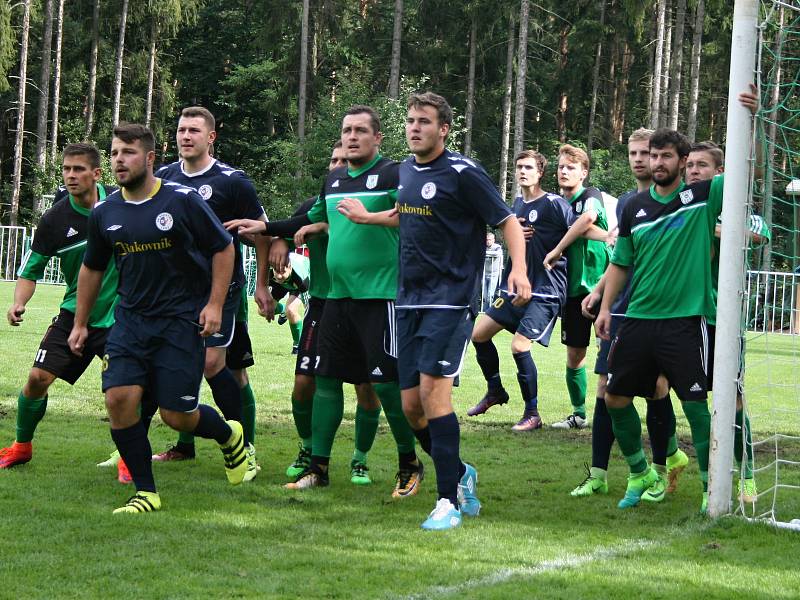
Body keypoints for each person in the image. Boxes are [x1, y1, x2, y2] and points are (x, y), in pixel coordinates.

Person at [337, 92, 531, 530]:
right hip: (408, 300)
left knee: (433, 395)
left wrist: (518, 269)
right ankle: (459, 471)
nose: (414, 128)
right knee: (411, 408)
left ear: (443, 129)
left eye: (423, 121)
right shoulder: (405, 170)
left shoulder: (463, 173)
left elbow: (507, 221)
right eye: (410, 121)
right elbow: (409, 213)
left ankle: (447, 501)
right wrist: (370, 219)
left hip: (450, 299)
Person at [227, 106, 422, 496]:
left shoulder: (395, 173)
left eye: (360, 131)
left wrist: (370, 216)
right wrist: (266, 227)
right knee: (326, 380)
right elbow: (308, 219)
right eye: (347, 130)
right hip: (335, 298)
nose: (352, 137)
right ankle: (318, 467)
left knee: (385, 388)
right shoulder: (333, 180)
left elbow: (415, 214)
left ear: (378, 138)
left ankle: (409, 463)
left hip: (380, 297)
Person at [68, 123, 246, 514]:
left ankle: (229, 435)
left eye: (128, 153)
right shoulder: (105, 211)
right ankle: (146, 491)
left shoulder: (181, 200)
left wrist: (214, 305)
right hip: (130, 321)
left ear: (149, 159)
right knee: (119, 399)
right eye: (114, 153)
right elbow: (92, 269)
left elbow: (223, 248)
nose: (119, 160)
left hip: (181, 320)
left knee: (177, 415)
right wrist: (80, 323)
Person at [596, 128, 723, 513]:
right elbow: (622, 260)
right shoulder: (632, 206)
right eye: (653, 156)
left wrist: (750, 115)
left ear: (683, 163)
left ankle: (710, 489)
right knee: (614, 396)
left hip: (684, 320)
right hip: (636, 318)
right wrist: (605, 307)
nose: (657, 163)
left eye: (666, 156)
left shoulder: (703, 196)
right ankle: (639, 472)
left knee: (696, 405)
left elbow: (749, 171)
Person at [152, 106, 271, 482]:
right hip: (175, 292)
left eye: (194, 131)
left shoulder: (233, 181)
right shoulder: (163, 177)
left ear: (210, 137)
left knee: (215, 366)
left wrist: (263, 282)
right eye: (181, 130)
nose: (185, 136)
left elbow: (262, 230)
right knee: (175, 364)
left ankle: (242, 446)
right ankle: (183, 446)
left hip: (222, 290)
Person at [571, 128, 688, 501]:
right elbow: (623, 258)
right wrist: (600, 295)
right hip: (623, 311)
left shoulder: (678, 201)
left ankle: (663, 462)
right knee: (607, 389)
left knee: (656, 389)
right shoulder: (625, 204)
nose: (640, 159)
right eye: (635, 153)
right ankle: (601, 473)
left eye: (646, 153)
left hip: (662, 312)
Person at [0, 144, 119, 471]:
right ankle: (22, 445)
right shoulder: (55, 219)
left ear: (97, 173)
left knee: (122, 393)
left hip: (120, 317)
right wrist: (18, 303)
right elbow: (31, 269)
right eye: (66, 169)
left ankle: (128, 457)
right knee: (37, 378)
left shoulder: (121, 205)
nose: (70, 175)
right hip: (73, 314)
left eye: (79, 169)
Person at [469, 150, 604, 431]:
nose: (522, 172)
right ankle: (495, 390)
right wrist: (513, 231)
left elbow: (581, 229)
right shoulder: (517, 204)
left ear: (540, 172)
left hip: (546, 290)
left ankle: (533, 413)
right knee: (478, 335)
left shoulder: (555, 203)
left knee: (519, 345)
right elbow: (510, 234)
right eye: (519, 167)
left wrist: (610, 236)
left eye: (528, 167)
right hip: (515, 286)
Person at [686, 139, 770, 504]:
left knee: (732, 398)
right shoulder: (680, 205)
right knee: (684, 396)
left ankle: (747, 475)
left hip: (722, 318)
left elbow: (759, 232)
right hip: (683, 316)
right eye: (689, 165)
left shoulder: (731, 206)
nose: (693, 171)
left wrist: (715, 230)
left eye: (701, 165)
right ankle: (668, 471)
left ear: (720, 172)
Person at [545, 145, 609, 430]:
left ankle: (612, 414)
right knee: (575, 354)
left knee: (607, 350)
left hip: (600, 285)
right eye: (560, 167)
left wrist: (558, 249)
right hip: (571, 290)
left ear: (584, 173)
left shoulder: (591, 196)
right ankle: (579, 414)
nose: (563, 171)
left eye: (570, 167)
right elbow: (588, 230)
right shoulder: (560, 206)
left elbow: (587, 222)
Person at [482, 232, 503, 311]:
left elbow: (496, 254)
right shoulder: (483, 247)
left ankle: (488, 312)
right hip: (484, 274)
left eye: (490, 240)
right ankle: (483, 312)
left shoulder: (497, 247)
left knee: (490, 295)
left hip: (493, 275)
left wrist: (486, 253)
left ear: (493, 240)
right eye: (487, 240)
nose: (488, 241)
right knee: (484, 296)